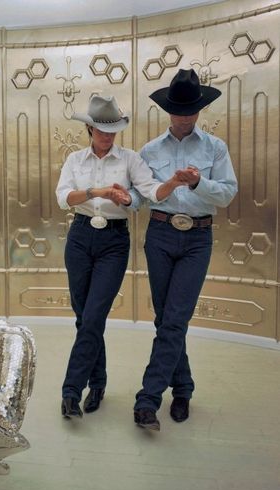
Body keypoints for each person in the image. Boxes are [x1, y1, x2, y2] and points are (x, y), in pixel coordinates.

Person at [56, 95, 185, 419]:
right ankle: (97, 383)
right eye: (101, 130)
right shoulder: (75, 160)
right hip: (80, 237)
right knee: (83, 317)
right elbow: (62, 199)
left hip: (113, 241)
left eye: (112, 130)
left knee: (94, 314)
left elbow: (148, 193)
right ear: (89, 128)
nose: (107, 136)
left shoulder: (129, 160)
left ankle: (71, 391)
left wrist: (136, 196)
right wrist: (96, 193)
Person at [133, 68, 238, 431]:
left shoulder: (215, 148)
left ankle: (147, 398)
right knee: (167, 320)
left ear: (199, 110)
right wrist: (122, 196)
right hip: (160, 236)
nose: (184, 116)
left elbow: (227, 194)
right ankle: (183, 388)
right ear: (168, 111)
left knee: (175, 318)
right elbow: (141, 195)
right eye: (178, 110)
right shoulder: (149, 150)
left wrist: (198, 183)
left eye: (191, 110)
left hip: (198, 239)